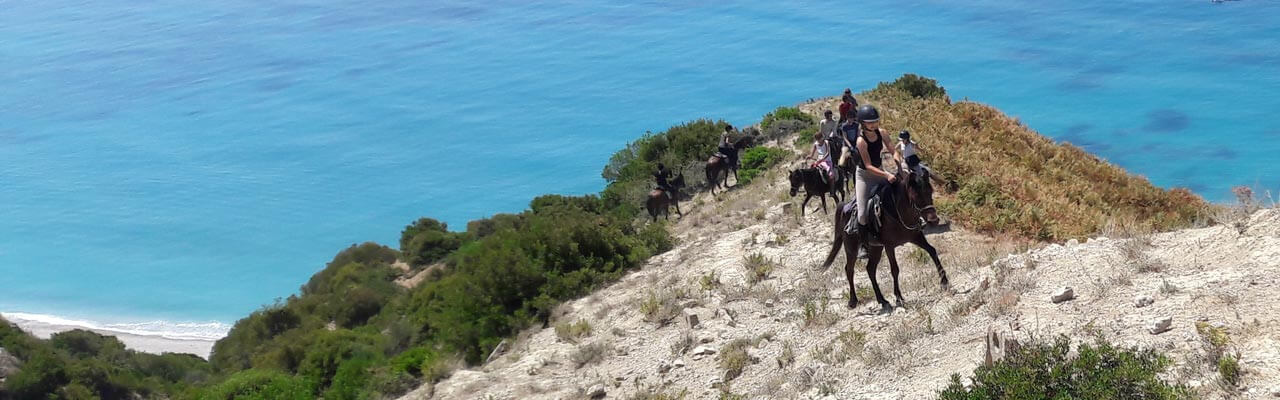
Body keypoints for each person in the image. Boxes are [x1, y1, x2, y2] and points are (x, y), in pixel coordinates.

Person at [847, 105, 903, 245]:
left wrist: (897, 158)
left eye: (875, 121)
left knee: (903, 191)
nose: (873, 124)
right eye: (869, 122)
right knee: (862, 214)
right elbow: (868, 166)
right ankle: (863, 244)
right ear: (862, 123)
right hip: (865, 176)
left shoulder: (882, 132)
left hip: (880, 170)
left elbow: (892, 149)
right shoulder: (861, 141)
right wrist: (886, 175)